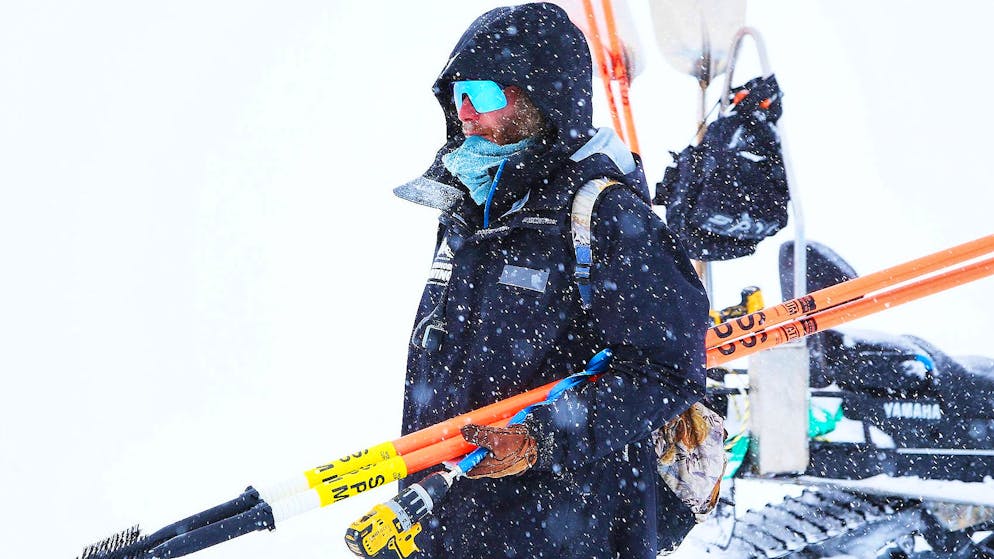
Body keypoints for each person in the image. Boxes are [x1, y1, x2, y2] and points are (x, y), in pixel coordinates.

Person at [393, 3, 709, 558]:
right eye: (459, 91)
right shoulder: (466, 213)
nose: (466, 111)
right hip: (445, 522)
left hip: (564, 531)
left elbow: (666, 372)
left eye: (487, 93)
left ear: (544, 97)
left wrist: (541, 440)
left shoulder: (606, 217)